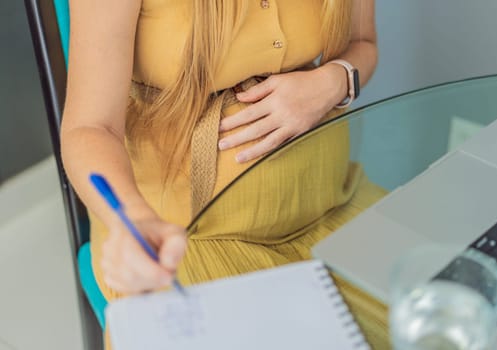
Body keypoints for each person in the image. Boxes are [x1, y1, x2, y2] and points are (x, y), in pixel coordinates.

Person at [62, 0, 388, 348]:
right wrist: (132, 217)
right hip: (187, 236)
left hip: (332, 201)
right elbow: (91, 128)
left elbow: (363, 45)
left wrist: (334, 80)